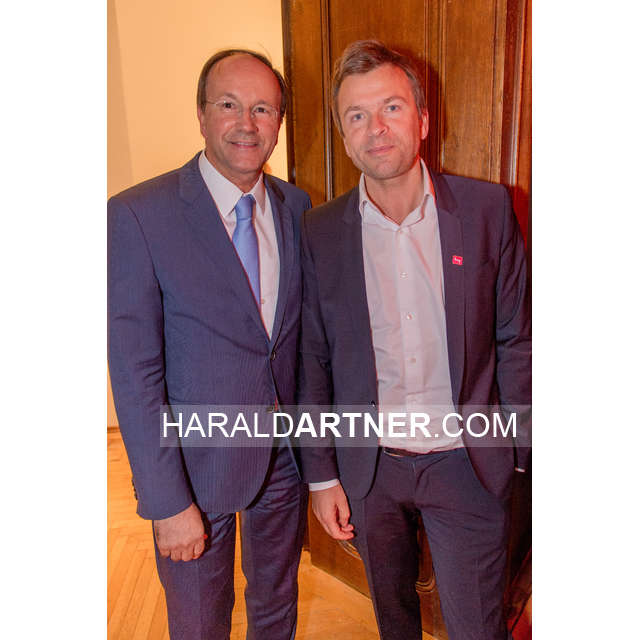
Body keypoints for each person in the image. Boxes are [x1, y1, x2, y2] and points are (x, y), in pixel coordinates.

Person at [298, 40, 531, 640]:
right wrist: (322, 476)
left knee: (478, 628)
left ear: (423, 119)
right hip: (369, 471)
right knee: (392, 622)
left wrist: (522, 451)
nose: (375, 128)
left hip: (468, 464)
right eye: (356, 115)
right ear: (343, 135)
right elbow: (314, 360)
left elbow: (516, 338)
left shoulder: (487, 210)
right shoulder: (320, 232)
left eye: (392, 107)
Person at [108, 49, 311, 640]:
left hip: (284, 460)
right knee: (199, 623)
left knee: (277, 606)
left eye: (263, 108)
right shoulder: (138, 215)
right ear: (200, 114)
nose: (247, 123)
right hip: (193, 471)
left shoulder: (297, 208)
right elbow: (135, 374)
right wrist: (167, 502)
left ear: (278, 123)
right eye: (229, 105)